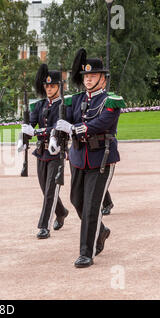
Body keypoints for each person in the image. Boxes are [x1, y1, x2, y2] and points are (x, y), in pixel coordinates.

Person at [55, 48, 125, 268]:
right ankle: (101, 231)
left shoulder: (111, 101)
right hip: (77, 157)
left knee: (92, 206)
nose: (88, 79)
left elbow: (99, 124)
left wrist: (73, 128)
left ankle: (87, 252)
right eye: (86, 76)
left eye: (93, 76)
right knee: (77, 200)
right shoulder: (74, 100)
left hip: (100, 158)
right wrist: (57, 135)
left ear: (103, 79)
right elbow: (63, 123)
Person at [21, 64, 69, 240]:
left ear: (59, 87)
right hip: (41, 151)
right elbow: (31, 123)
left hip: (56, 151)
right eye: (47, 86)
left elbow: (57, 127)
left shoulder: (64, 106)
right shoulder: (40, 105)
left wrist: (36, 132)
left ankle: (44, 226)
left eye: (52, 86)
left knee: (50, 190)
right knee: (45, 188)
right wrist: (24, 132)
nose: (49, 89)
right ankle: (61, 211)